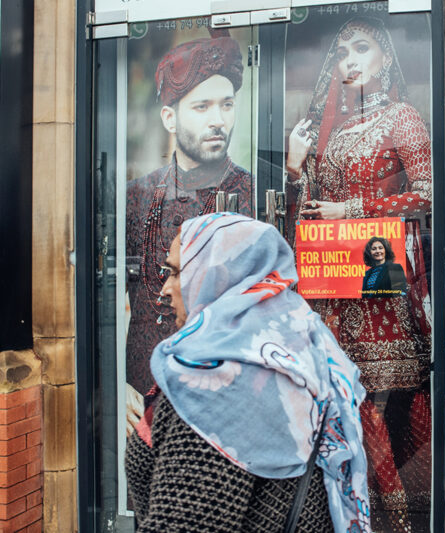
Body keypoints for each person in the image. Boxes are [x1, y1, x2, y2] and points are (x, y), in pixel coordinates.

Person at [124, 213, 371, 533]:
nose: (165, 290)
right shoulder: (295, 345)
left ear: (217, 277)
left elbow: (183, 523)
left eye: (175, 273)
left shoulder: (216, 387)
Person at [285, 16, 432, 532]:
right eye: (342, 52)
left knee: (374, 406)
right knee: (345, 403)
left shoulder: (404, 118)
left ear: (385, 59)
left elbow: (429, 195)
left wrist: (354, 208)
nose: (349, 60)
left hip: (380, 286)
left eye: (362, 49)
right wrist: (297, 168)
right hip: (335, 289)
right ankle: (351, 513)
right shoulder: (340, 131)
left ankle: (401, 519)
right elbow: (311, 215)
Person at [125, 36, 253, 432]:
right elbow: (109, 301)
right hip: (142, 398)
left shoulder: (255, 195)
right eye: (201, 106)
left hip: (225, 403)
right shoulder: (138, 195)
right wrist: (115, 385)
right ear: (170, 118)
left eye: (226, 105)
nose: (218, 119)